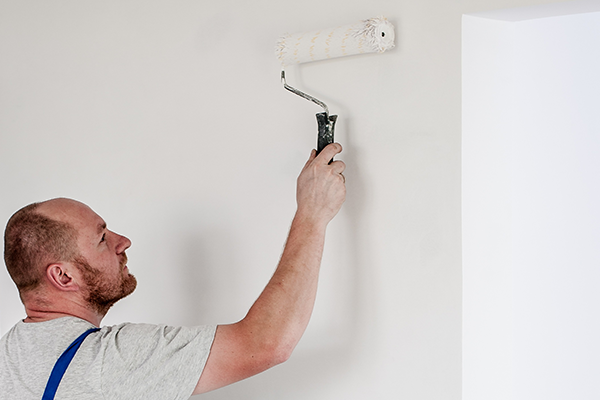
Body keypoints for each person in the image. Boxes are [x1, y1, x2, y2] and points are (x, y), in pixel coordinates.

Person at [0, 143, 346, 399]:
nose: (123, 241)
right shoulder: (107, 361)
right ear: (63, 277)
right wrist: (312, 213)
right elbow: (267, 343)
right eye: (102, 238)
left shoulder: (8, 355)